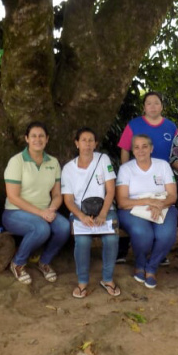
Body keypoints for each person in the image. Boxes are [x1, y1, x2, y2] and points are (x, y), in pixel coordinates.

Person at [2, 121, 70, 285]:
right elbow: (13, 197)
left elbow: (56, 193)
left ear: (47, 139)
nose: (37, 139)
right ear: (26, 139)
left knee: (64, 227)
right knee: (41, 228)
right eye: (33, 136)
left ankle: (44, 261)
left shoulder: (53, 162)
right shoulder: (17, 161)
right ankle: (18, 263)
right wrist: (41, 214)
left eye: (41, 136)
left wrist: (52, 209)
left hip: (44, 211)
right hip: (15, 212)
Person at [61, 127, 120, 298]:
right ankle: (82, 282)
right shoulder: (68, 169)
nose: (87, 144)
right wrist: (81, 216)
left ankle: (108, 279)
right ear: (76, 143)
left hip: (104, 209)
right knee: (83, 241)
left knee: (111, 238)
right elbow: (69, 200)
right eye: (83, 140)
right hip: (80, 211)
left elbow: (110, 191)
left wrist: (102, 214)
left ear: (96, 144)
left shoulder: (103, 160)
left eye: (91, 140)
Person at [116, 134, 178, 288]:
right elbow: (122, 202)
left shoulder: (163, 165)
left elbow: (172, 195)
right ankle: (140, 263)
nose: (141, 150)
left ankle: (151, 267)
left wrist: (159, 204)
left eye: (145, 146)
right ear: (132, 150)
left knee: (166, 235)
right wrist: (147, 201)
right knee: (143, 234)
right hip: (133, 207)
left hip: (162, 204)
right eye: (136, 147)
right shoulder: (126, 169)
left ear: (151, 148)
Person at [118, 91, 178, 164]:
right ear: (144, 107)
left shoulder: (171, 127)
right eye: (149, 103)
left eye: (156, 103)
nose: (153, 107)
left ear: (161, 107)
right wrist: (125, 170)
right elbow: (125, 149)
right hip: (139, 172)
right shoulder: (133, 125)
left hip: (164, 172)